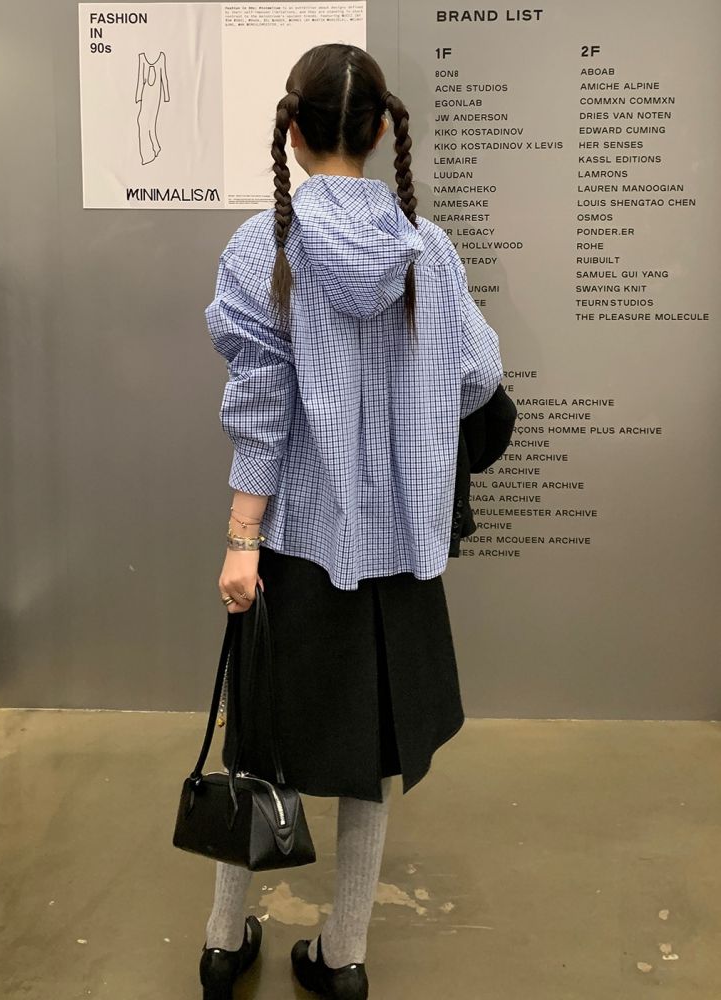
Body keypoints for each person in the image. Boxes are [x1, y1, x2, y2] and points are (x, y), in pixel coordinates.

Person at [198, 43, 503, 1000]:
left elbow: (261, 410)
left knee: (260, 744)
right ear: (378, 132)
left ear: (292, 131)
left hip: (294, 545)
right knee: (372, 757)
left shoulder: (264, 247)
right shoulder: (429, 249)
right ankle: (344, 956)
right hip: (398, 548)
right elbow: (479, 379)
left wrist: (241, 541)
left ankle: (223, 943)